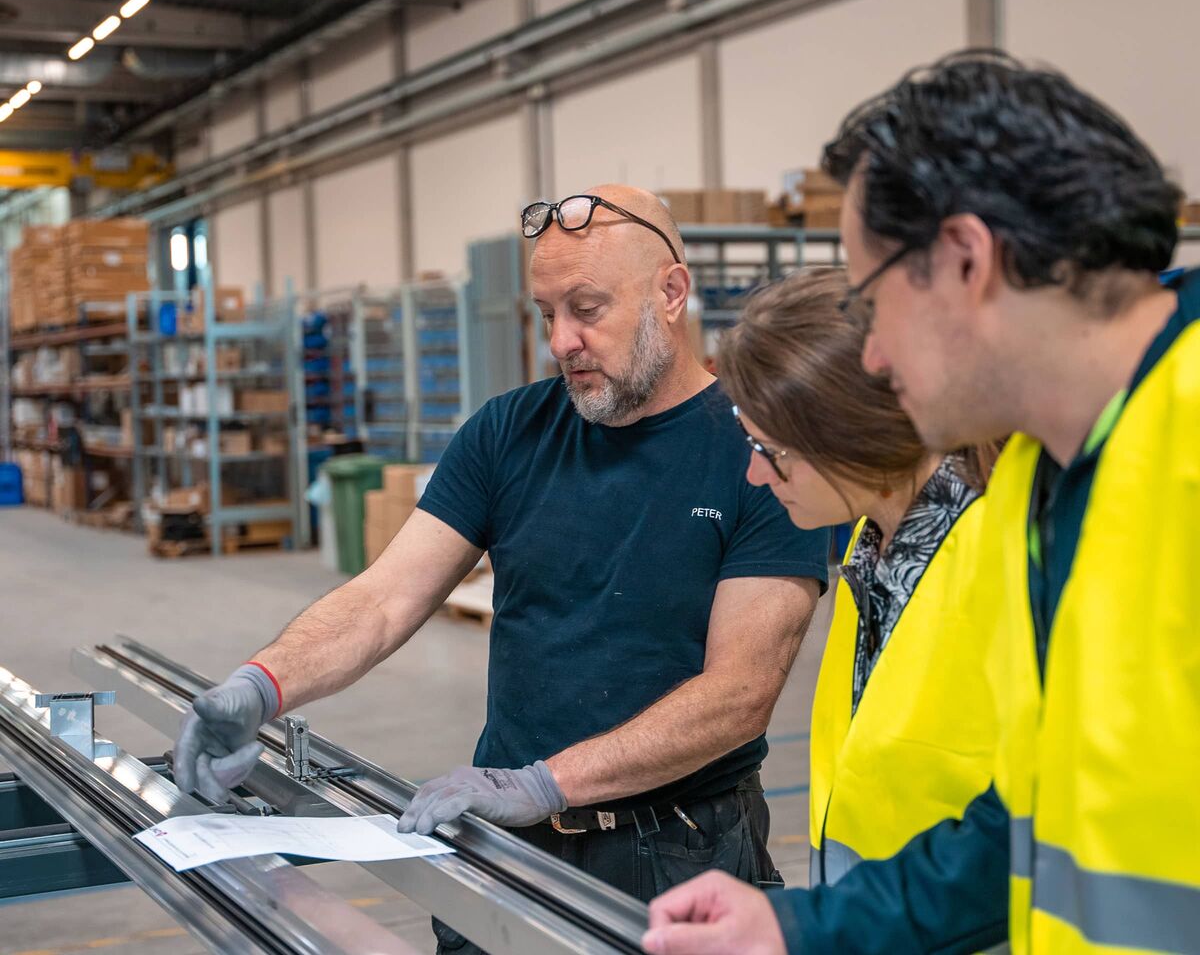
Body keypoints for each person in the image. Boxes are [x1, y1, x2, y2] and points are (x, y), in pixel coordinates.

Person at [173, 184, 829, 954]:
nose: (561, 340)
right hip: (503, 843)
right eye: (545, 313)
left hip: (679, 851)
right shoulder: (509, 432)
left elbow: (737, 696)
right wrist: (259, 686)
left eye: (586, 308)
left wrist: (545, 783)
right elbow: (385, 599)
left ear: (672, 292)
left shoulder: (759, 452)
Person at [644, 50, 1199, 955]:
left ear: (967, 261)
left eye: (874, 295)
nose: (868, 356)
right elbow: (1022, 826)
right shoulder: (1034, 483)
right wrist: (797, 927)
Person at [643, 267, 1006, 955]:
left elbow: (1019, 830)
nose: (754, 476)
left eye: (770, 453)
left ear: (849, 434)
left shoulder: (999, 558)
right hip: (874, 927)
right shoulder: (874, 554)